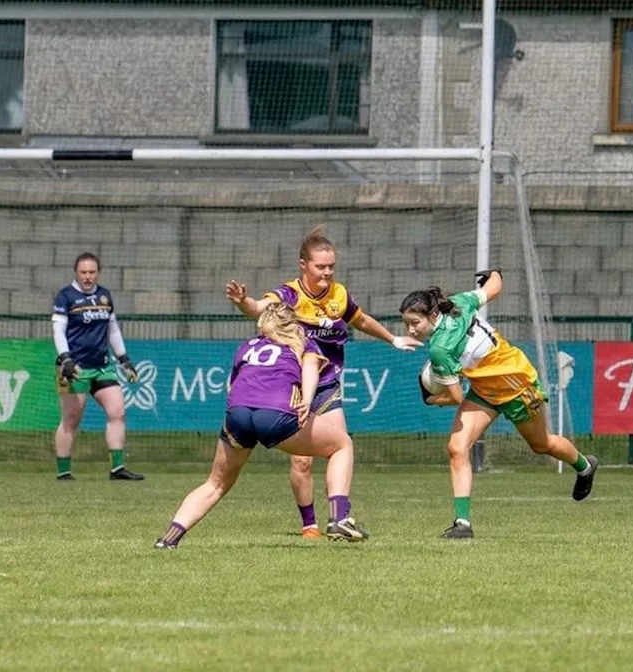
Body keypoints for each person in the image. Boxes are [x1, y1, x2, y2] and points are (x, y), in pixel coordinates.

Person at [225, 225, 418, 538]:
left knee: (338, 447)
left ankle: (339, 520)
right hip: (293, 386)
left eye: (331, 266)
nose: (327, 273)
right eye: (320, 267)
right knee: (301, 461)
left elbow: (362, 320)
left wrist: (392, 339)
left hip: (326, 382)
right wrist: (242, 301)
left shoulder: (338, 295)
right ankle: (310, 525)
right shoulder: (289, 294)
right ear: (304, 266)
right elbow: (259, 309)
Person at [399, 270, 599, 539]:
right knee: (457, 447)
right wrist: (494, 273)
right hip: (484, 390)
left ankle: (585, 466)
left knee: (542, 445)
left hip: (516, 385)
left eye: (415, 323)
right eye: (407, 324)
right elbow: (494, 287)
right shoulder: (459, 302)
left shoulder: (439, 350)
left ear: (433, 316)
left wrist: (432, 398)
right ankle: (462, 524)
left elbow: (455, 397)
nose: (411, 330)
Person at [154, 303, 367, 548]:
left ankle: (168, 539)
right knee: (342, 445)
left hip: (238, 414)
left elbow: (231, 386)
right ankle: (339, 518)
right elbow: (311, 372)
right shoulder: (303, 343)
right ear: (293, 324)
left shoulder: (246, 346)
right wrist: (306, 402)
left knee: (215, 483)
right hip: (276, 414)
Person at [51, 252, 144, 481]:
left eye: (92, 272)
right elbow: (58, 331)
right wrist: (66, 359)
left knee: (117, 411)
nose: (87, 277)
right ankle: (64, 472)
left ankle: (117, 469)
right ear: (76, 272)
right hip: (75, 368)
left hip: (103, 366)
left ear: (97, 273)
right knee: (71, 419)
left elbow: (113, 330)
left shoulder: (104, 296)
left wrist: (124, 360)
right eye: (83, 272)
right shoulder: (66, 296)